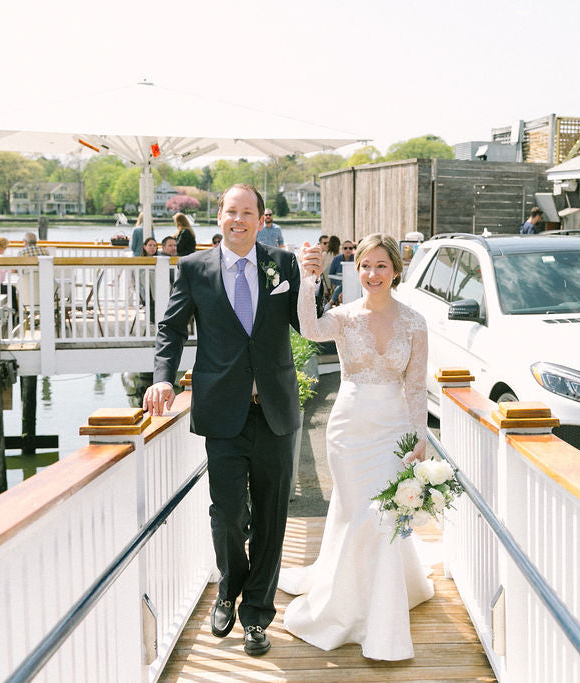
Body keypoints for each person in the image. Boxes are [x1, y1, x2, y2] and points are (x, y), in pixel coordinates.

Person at [143, 183, 323, 658]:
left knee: (271, 516)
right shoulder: (193, 268)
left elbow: (309, 327)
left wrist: (313, 283)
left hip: (275, 410)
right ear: (218, 217)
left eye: (247, 213)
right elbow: (171, 328)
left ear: (262, 220)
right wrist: (162, 378)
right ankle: (229, 585)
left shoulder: (282, 265)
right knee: (227, 514)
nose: (238, 220)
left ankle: (257, 616)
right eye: (230, 211)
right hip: (222, 410)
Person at [279, 232, 432, 661]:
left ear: (396, 270)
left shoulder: (414, 322)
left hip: (394, 431)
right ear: (357, 269)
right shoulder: (345, 317)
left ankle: (381, 618)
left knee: (384, 516)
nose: (372, 274)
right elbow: (309, 328)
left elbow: (416, 385)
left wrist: (420, 435)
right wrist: (309, 281)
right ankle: (346, 609)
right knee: (360, 516)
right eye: (365, 266)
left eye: (381, 266)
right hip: (349, 433)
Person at [327, 239, 355, 306]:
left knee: (346, 283)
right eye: (345, 248)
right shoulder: (336, 259)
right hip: (339, 283)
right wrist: (340, 282)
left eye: (350, 248)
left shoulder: (356, 259)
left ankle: (331, 302)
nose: (348, 250)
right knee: (344, 283)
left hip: (353, 284)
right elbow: (330, 275)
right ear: (342, 249)